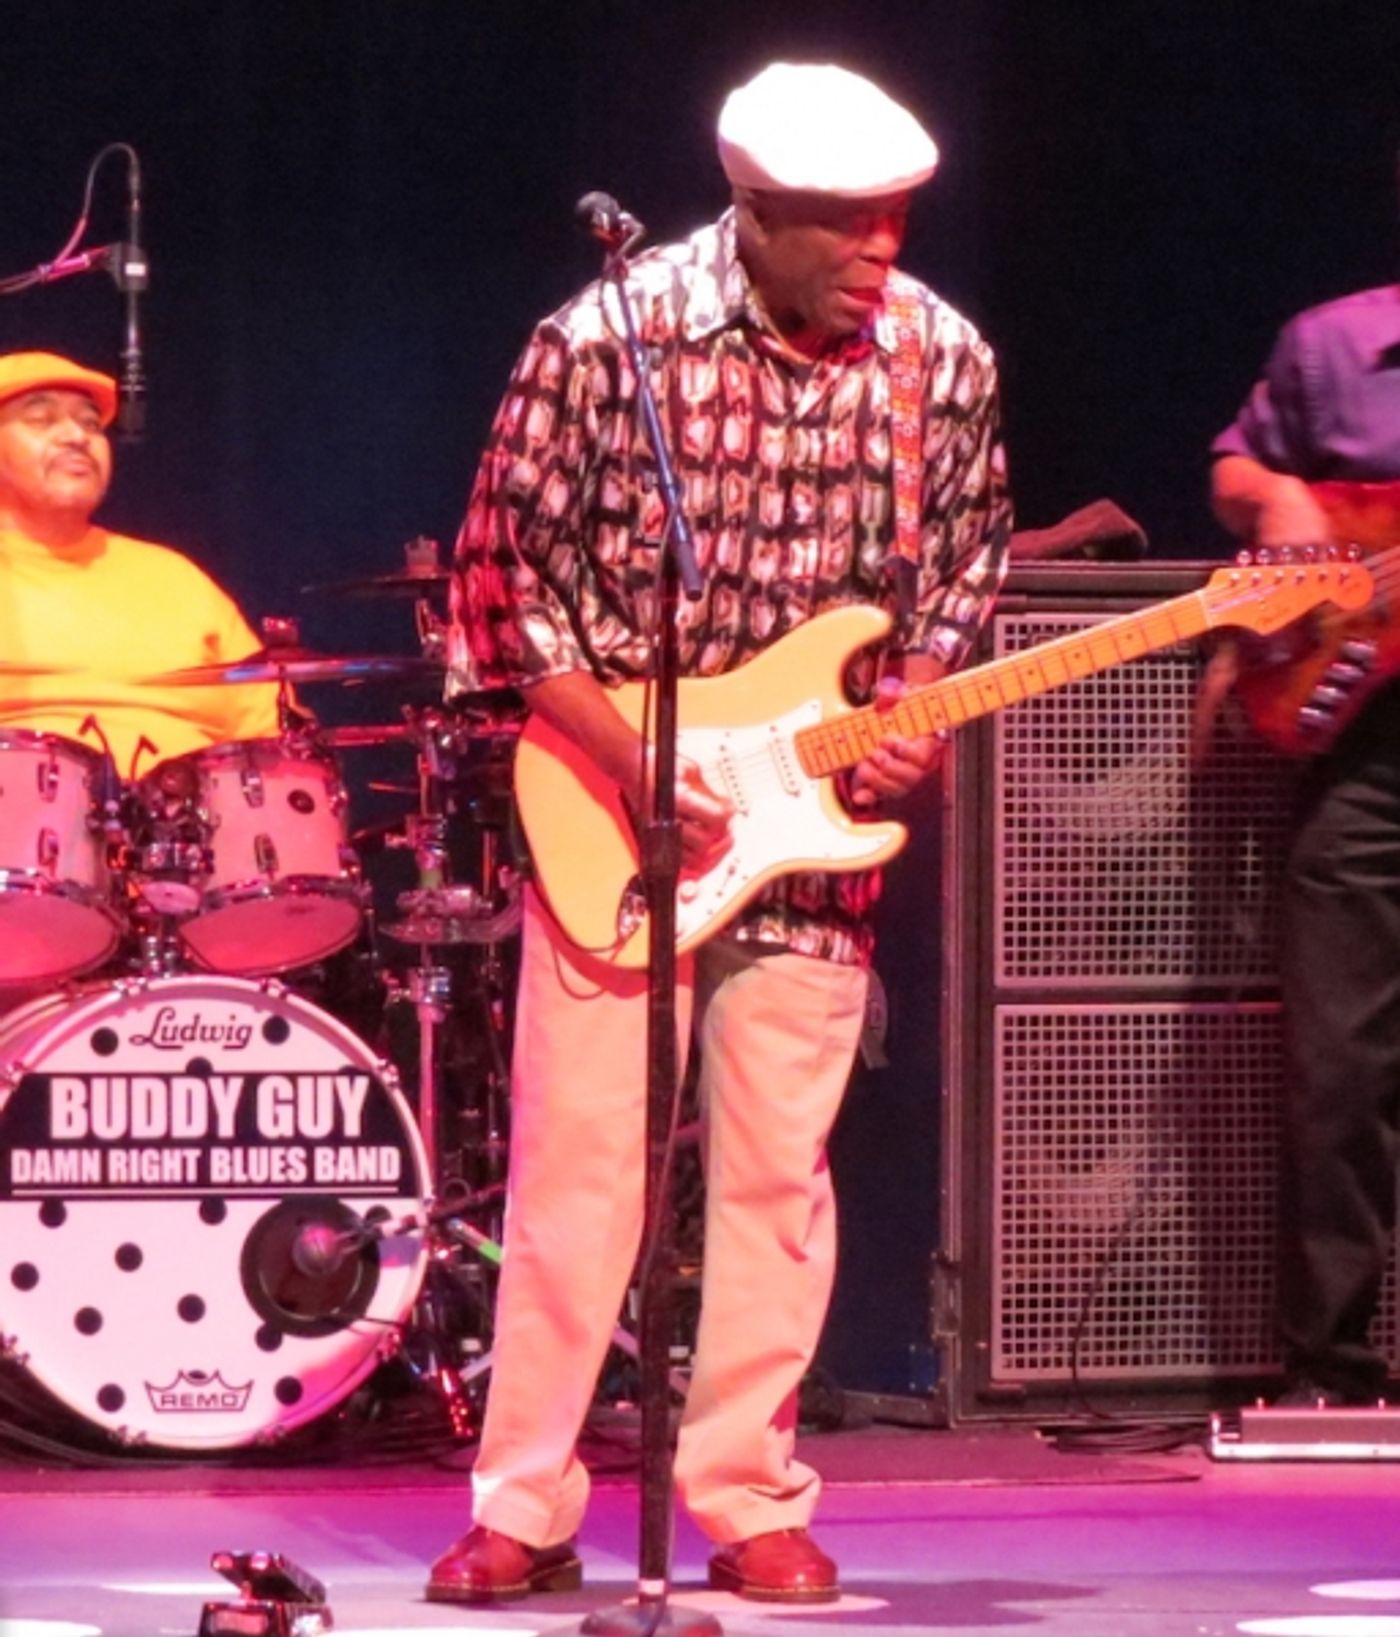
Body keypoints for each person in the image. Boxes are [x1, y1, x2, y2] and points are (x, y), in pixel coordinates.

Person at [430, 61, 1011, 1604]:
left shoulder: (941, 362)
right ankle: (529, 1500)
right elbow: (501, 596)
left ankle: (746, 1488)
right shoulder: (602, 340)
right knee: (580, 1179)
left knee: (775, 1172)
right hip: (619, 813)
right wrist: (635, 754)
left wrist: (920, 717)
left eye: (893, 217)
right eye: (843, 225)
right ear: (752, 214)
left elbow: (958, 587)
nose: (880, 249)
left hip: (807, 831)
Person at [1210, 277, 1400, 1405]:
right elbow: (1233, 467)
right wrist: (1275, 496)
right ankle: (1331, 1371)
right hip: (1364, 758)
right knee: (1337, 1069)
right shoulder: (1332, 343)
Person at [0, 349, 279, 777]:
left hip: (198, 831)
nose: (77, 436)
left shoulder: (175, 578)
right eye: (42, 420)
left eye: (91, 423)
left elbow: (276, 738)